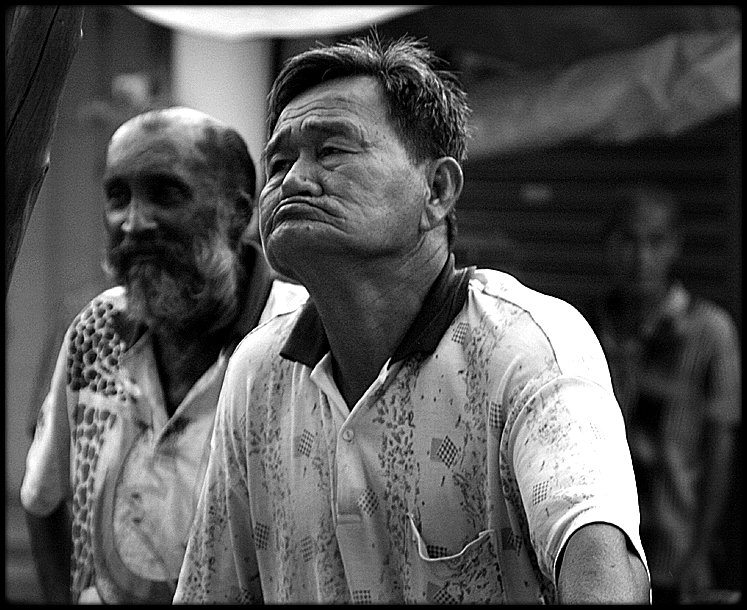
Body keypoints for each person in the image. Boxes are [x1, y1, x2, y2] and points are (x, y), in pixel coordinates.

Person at [174, 35, 650, 604]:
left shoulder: (529, 346)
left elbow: (602, 566)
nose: (293, 181)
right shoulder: (257, 372)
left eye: (332, 151)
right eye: (277, 163)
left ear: (438, 190)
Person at [19, 106, 308, 604]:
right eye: (117, 197)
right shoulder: (95, 330)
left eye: (165, 194)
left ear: (238, 212)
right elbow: (42, 499)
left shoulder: (300, 344)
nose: (134, 223)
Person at [586, 184, 741, 604]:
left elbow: (719, 453)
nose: (640, 259)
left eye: (655, 242)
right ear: (607, 246)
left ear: (675, 247)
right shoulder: (585, 328)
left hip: (677, 553)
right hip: (604, 556)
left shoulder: (709, 332)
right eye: (627, 242)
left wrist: (699, 552)